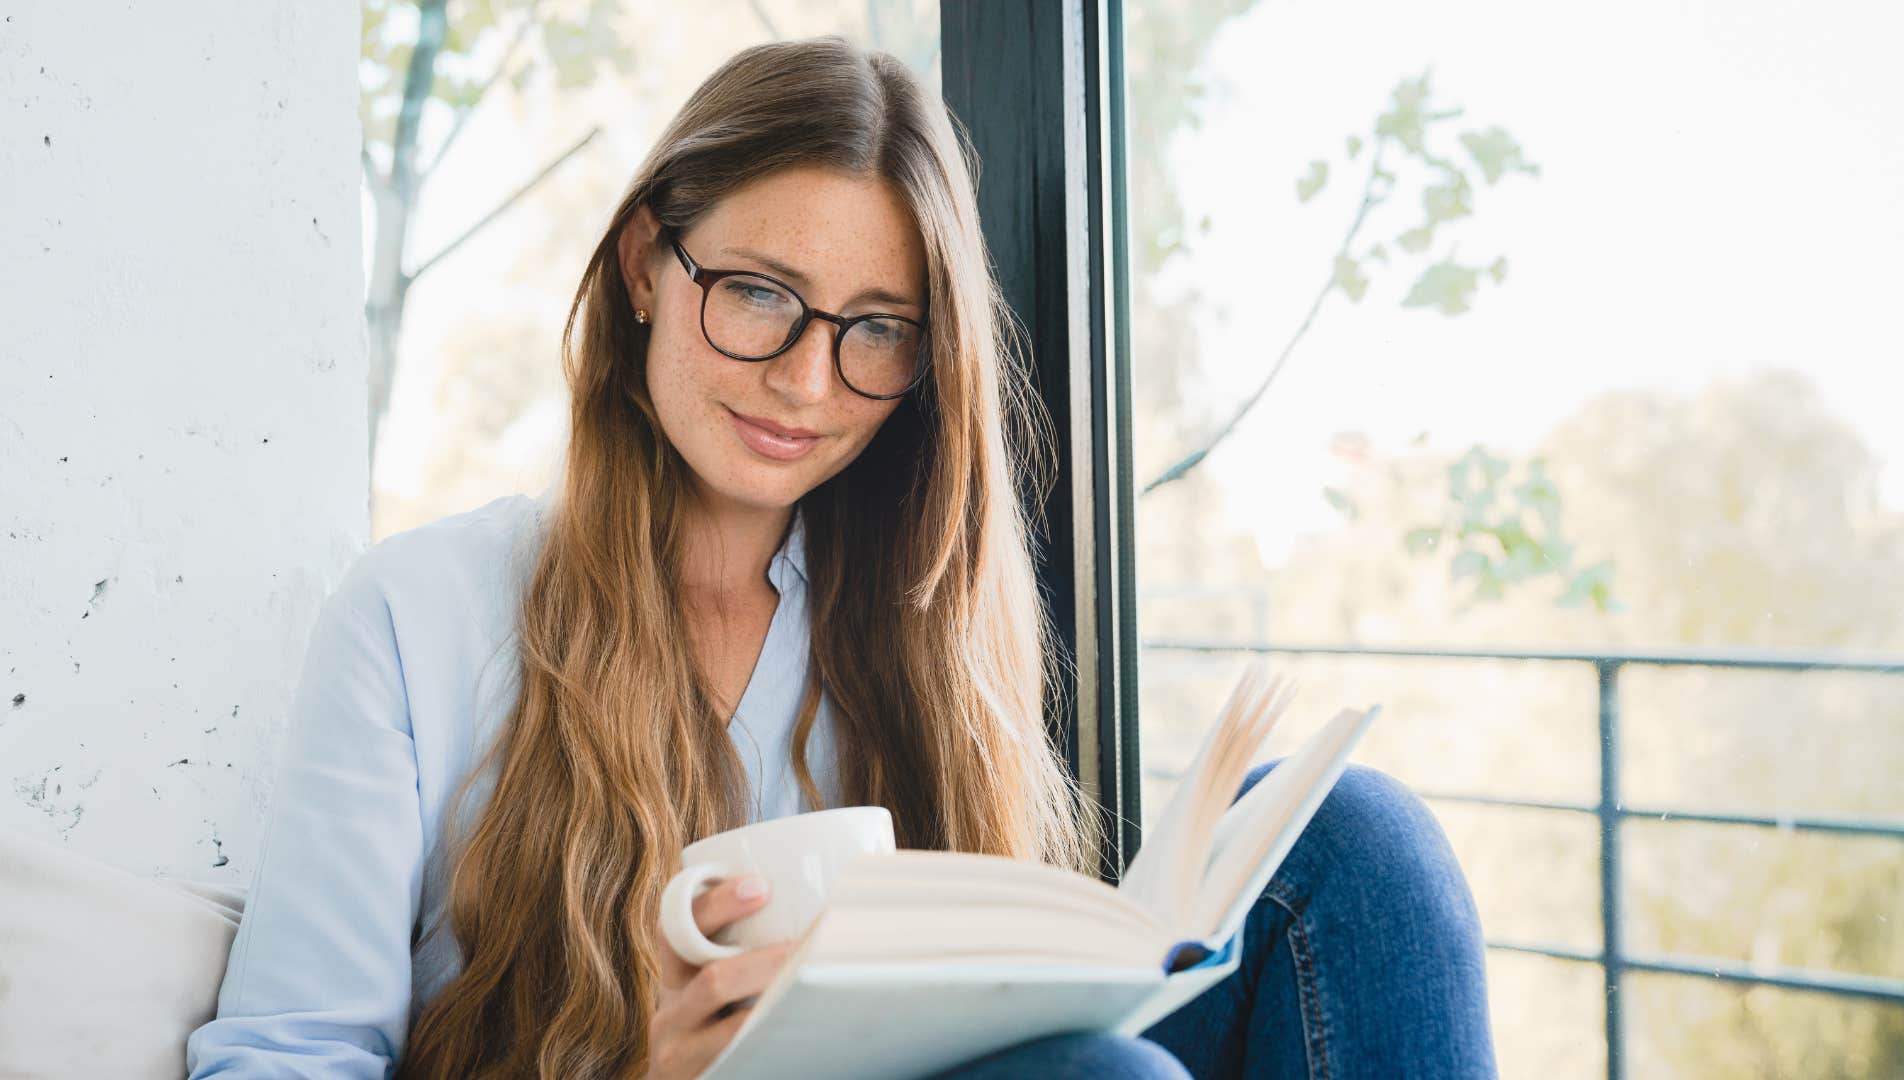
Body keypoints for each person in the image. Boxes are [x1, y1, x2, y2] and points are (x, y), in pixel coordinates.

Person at [185, 34, 1496, 1080]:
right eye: (759, 294)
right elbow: (278, 1063)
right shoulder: (419, 615)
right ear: (645, 266)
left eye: (876, 328)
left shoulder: (918, 615)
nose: (807, 383)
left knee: (1354, 839)